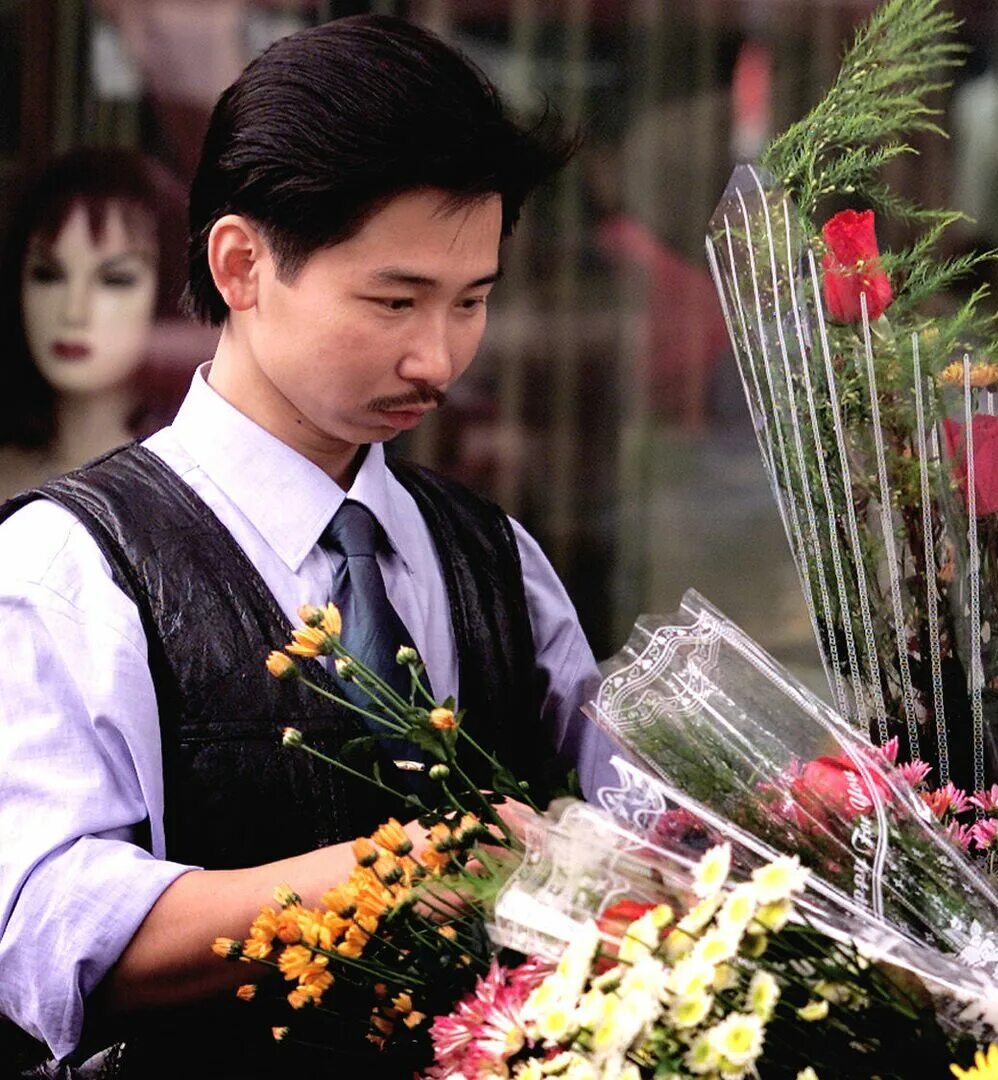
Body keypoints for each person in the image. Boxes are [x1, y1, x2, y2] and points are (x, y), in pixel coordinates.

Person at [0, 15, 622, 1074]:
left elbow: (627, 819)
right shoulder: (72, 565)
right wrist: (386, 878)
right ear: (242, 264)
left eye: (472, 302)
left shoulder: (490, 554)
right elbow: (47, 930)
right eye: (394, 300)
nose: (439, 357)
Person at [0, 148, 190, 497]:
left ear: (168, 296)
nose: (74, 312)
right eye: (47, 275)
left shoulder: (186, 489)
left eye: (115, 280)